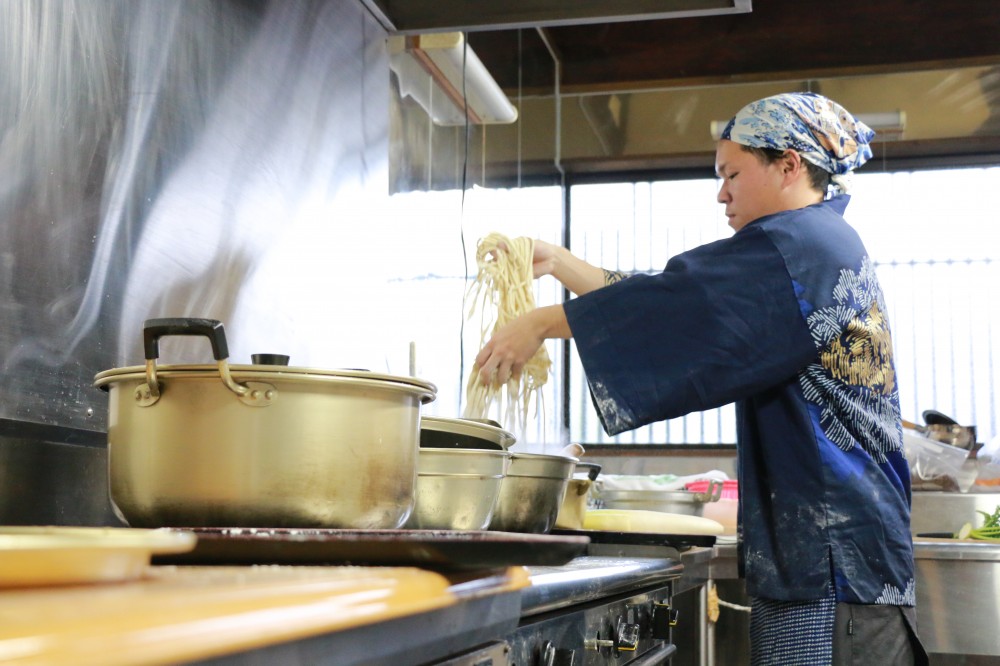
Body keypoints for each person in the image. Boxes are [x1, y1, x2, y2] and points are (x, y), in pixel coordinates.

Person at [474, 92, 928, 665]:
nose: (722, 193)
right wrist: (558, 262)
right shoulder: (813, 242)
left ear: (789, 166)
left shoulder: (801, 246)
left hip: (834, 571)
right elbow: (669, 296)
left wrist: (540, 322)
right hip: (831, 562)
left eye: (732, 173)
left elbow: (680, 306)